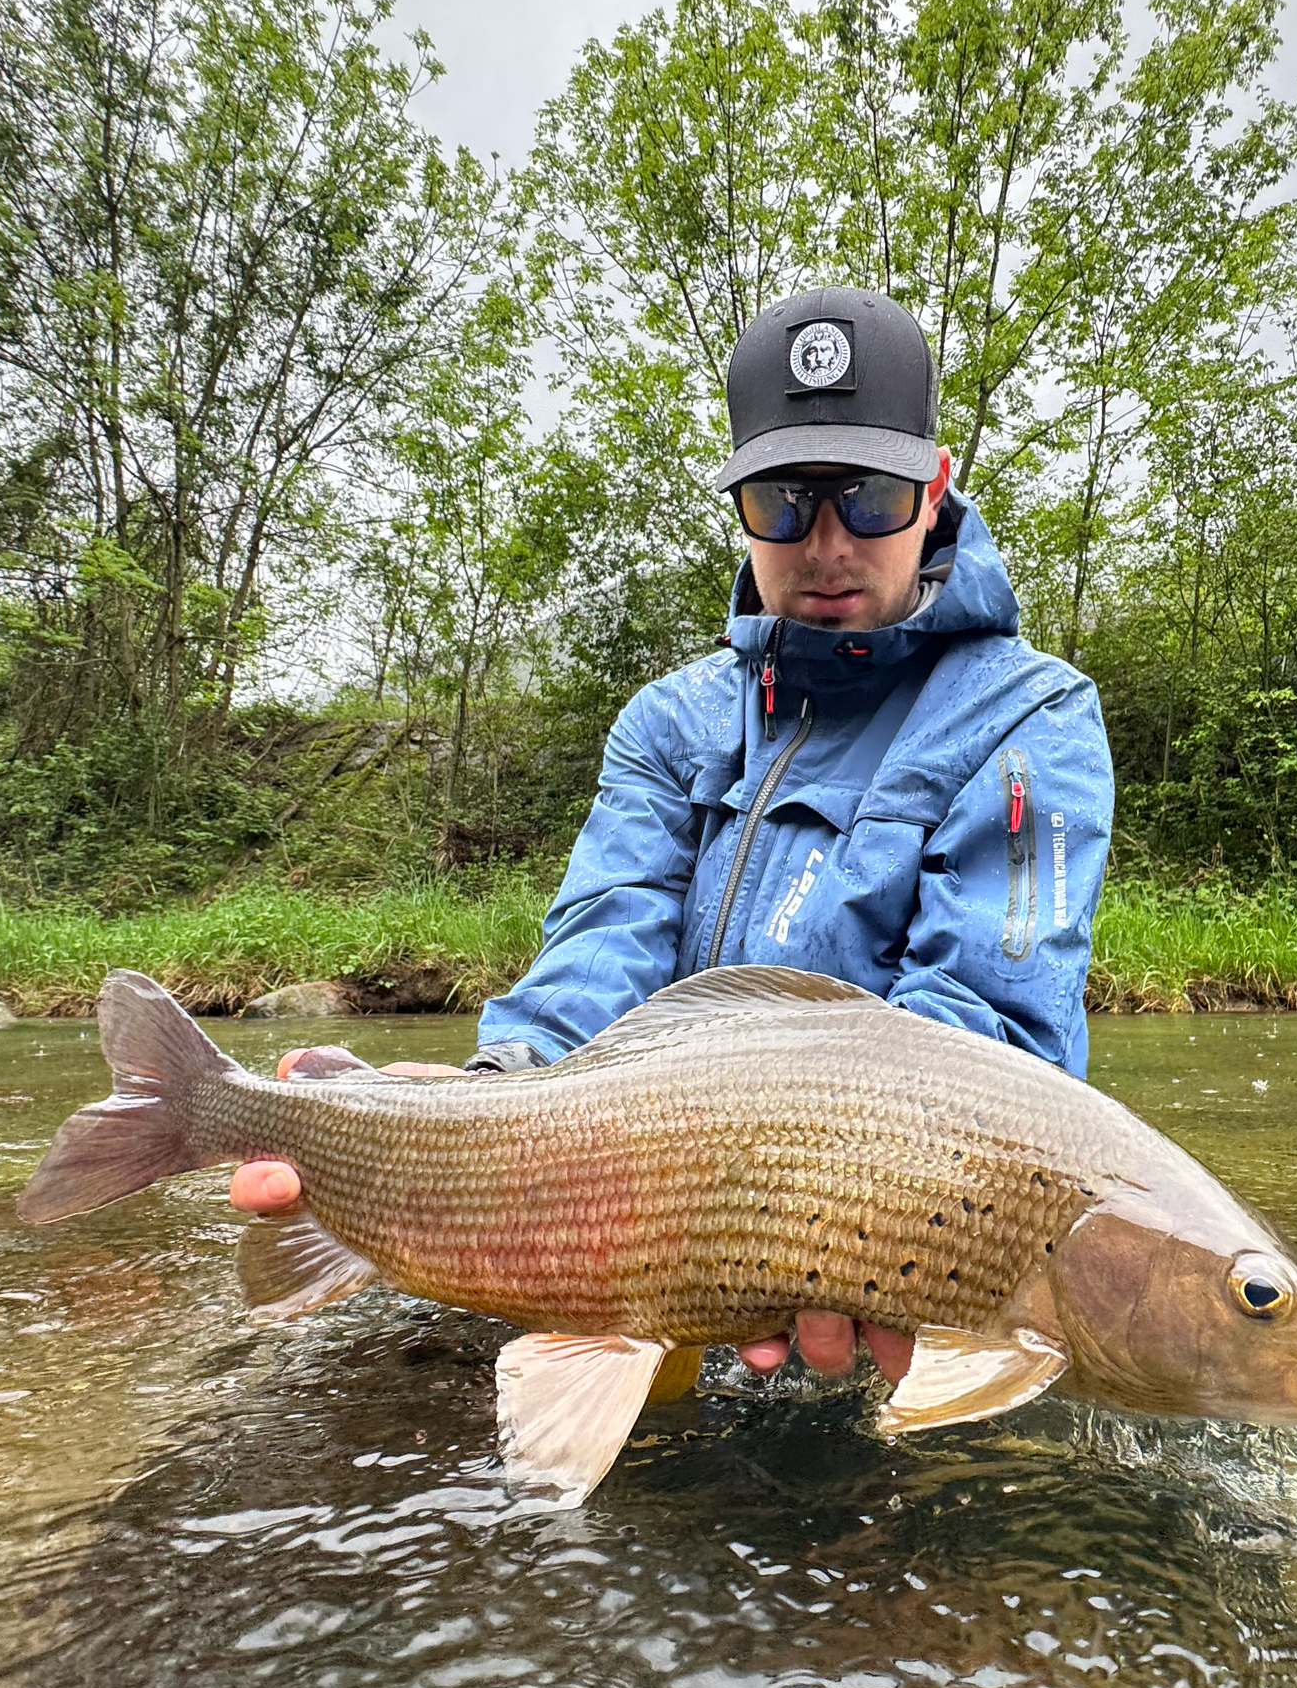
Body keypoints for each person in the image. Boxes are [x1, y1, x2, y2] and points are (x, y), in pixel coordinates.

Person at [232, 286, 1115, 1382]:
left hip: (905, 1257)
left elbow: (988, 1028)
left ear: (934, 493)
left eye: (871, 499)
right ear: (740, 505)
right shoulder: (672, 717)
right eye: (785, 503)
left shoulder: (1030, 715)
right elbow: (601, 946)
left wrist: (832, 1216)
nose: (827, 546)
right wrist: (492, 1094)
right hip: (655, 1226)